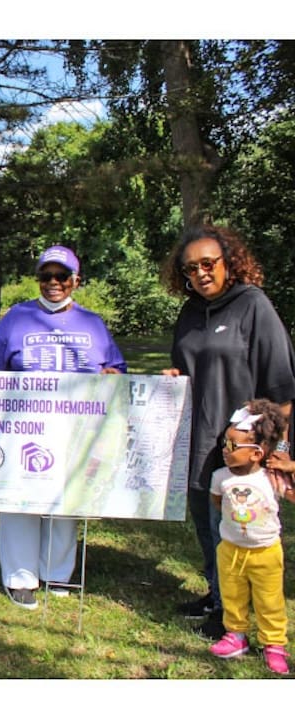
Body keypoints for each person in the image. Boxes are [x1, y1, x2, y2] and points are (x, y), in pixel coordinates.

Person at [0, 245, 126, 610]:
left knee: (67, 500)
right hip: (24, 424)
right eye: (46, 276)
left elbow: (116, 369)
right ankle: (20, 578)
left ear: (75, 281)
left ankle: (57, 574)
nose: (53, 283)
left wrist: (112, 377)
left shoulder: (93, 323)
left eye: (61, 276)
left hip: (76, 427)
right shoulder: (17, 318)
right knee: (19, 498)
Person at [161, 224, 295, 639]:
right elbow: (187, 367)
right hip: (199, 441)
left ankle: (232, 616)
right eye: (190, 269)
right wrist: (173, 376)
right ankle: (218, 594)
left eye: (208, 264)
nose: (200, 273)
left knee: (241, 532)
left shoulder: (253, 305)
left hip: (242, 449)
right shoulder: (189, 313)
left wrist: (279, 450)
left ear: (228, 263)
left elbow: (281, 387)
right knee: (208, 526)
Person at [208, 399, 289, 675]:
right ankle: (236, 636)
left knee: (270, 600)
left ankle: (274, 644)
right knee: (233, 595)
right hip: (230, 549)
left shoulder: (272, 478)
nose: (225, 450)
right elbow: (219, 502)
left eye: (232, 446)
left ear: (256, 453)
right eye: (224, 444)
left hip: (266, 552)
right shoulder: (220, 477)